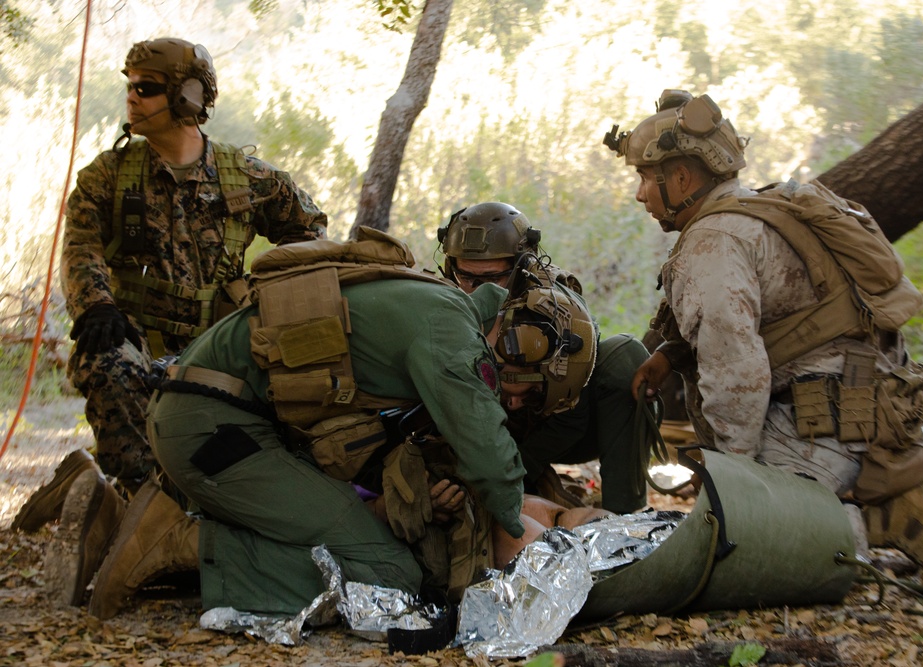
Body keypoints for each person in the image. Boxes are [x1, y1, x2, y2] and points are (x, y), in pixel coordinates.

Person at [50, 230, 600, 620]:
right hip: (213, 429)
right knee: (386, 571)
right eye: (525, 390)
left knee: (353, 533)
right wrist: (514, 523)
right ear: (526, 345)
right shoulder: (451, 334)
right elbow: (490, 455)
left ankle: (124, 518)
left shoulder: (435, 303)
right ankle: (176, 539)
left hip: (218, 422)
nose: (512, 399)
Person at [605, 89, 923, 588]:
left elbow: (735, 373)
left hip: (827, 423)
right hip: (871, 408)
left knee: (747, 537)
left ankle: (888, 520)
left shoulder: (711, 242)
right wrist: (669, 353)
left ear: (681, 177)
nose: (640, 193)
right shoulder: (762, 207)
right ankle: (880, 503)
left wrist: (738, 486)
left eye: (644, 177)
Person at [13, 38, 327, 542]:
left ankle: (119, 496)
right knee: (106, 360)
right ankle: (144, 515)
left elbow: (310, 233)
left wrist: (271, 294)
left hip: (222, 349)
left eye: (146, 88)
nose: (131, 97)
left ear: (186, 98)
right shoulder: (108, 176)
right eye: (129, 86)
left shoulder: (245, 176)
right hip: (140, 343)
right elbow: (81, 247)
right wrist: (96, 305)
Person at [438, 202, 653, 513]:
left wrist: (521, 470)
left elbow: (571, 417)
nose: (476, 290)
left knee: (624, 355)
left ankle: (624, 516)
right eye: (465, 276)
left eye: (490, 279)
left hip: (555, 428)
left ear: (521, 267)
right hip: (480, 430)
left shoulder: (556, 308)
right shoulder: (442, 297)